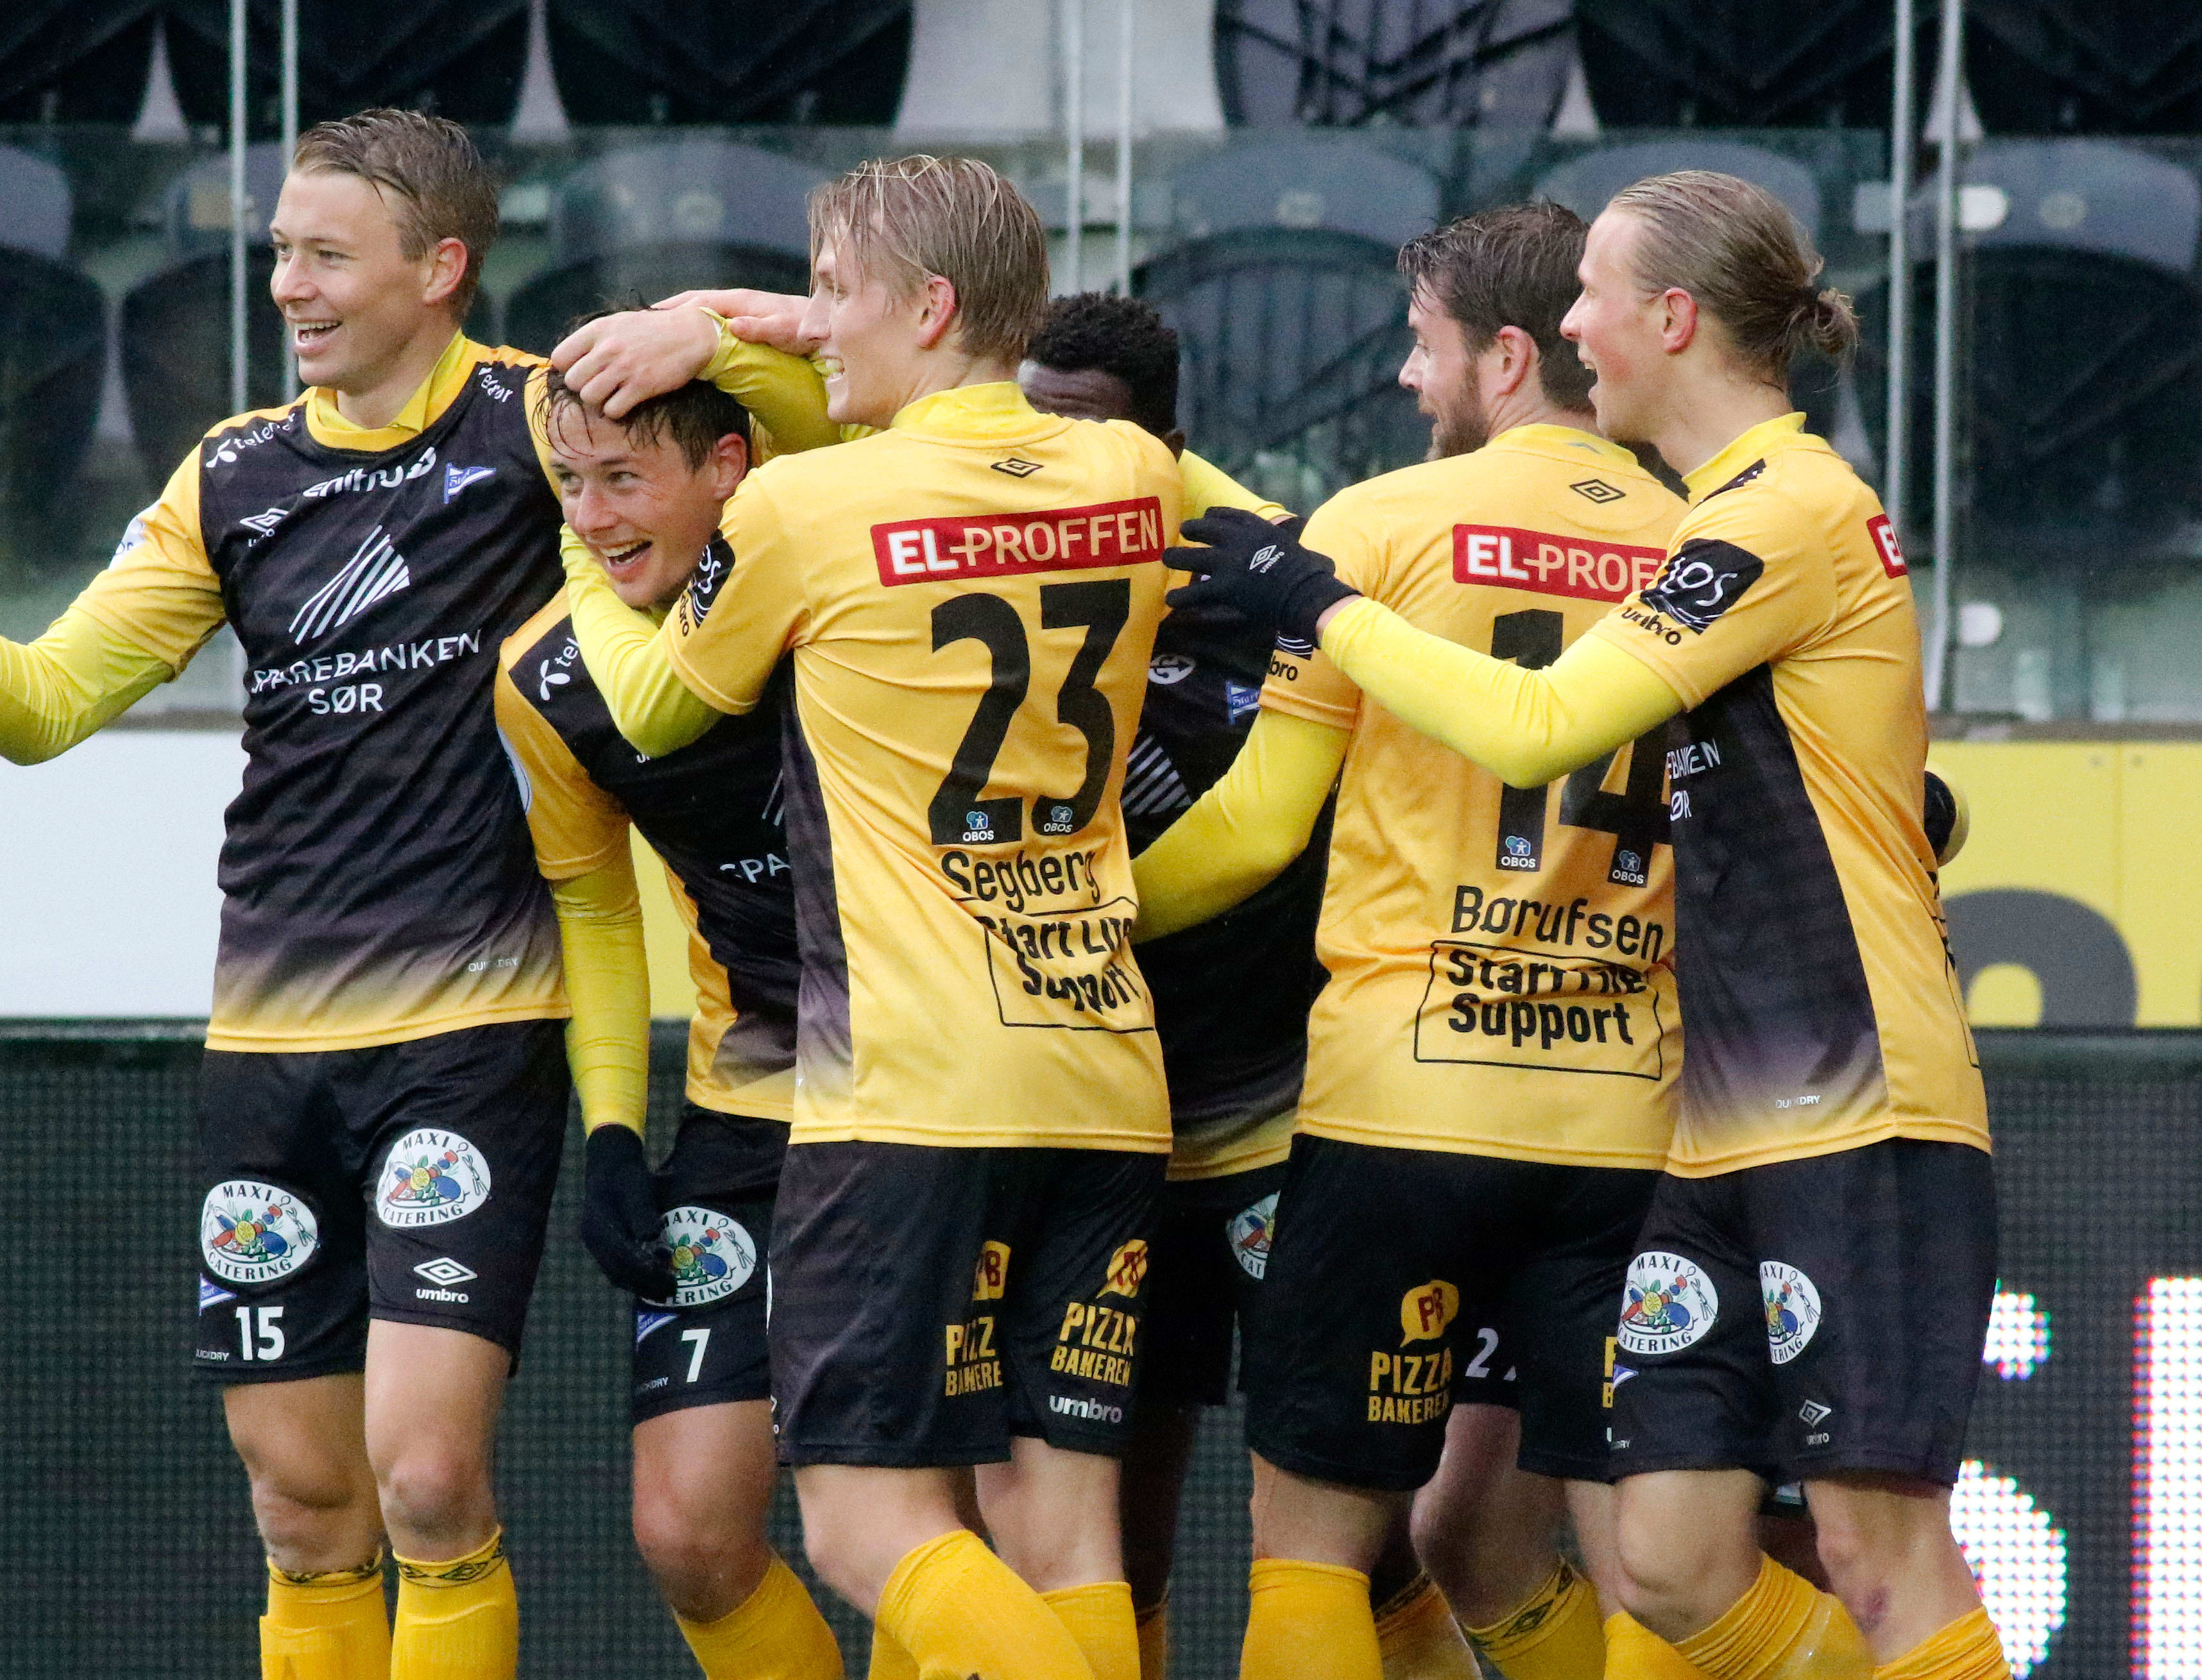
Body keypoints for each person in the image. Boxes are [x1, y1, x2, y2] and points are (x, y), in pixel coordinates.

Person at [0, 109, 824, 1680]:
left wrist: (716, 337)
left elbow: (814, 436)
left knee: (427, 1476)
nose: (285, 284)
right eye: (280, 250)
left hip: (470, 1037)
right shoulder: (232, 473)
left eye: (325, 254)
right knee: (299, 1502)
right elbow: (42, 705)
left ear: (440, 266)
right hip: (266, 1050)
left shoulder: (544, 424)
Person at [1168, 171, 2001, 1680]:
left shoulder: (1782, 511)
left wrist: (1311, 594)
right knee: (1667, 1563)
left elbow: (1539, 722)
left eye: (1591, 298)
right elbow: (1875, 785)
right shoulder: (1705, 521)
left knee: (1872, 1554)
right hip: (1680, 1123)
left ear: (1670, 318)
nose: (1567, 328)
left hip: (1837, 1093)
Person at [551, 154, 1187, 1680]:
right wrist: (762, 325)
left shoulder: (805, 502)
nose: (816, 320)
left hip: (907, 1086)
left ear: (931, 303)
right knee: (1064, 1531)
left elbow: (652, 705)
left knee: (859, 1524)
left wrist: (579, 549)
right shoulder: (1132, 474)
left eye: (835, 290)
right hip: (1102, 1064)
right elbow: (948, 384)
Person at [1129, 199, 1689, 1680]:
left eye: (1420, 344)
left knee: (1313, 1544)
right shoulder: (1705, 546)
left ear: (1504, 358)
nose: (1401, 374)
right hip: (1622, 1120)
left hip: (1401, 1107)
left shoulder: (1374, 526)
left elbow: (1252, 829)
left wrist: (1075, 919)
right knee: (1650, 1563)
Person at [1018, 291, 1481, 1680]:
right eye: (1031, 424)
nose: (1054, 460)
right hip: (1106, 1133)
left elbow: (1275, 829)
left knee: (1358, 1540)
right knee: (1105, 1530)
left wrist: (1069, 923)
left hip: (1291, 1125)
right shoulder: (990, 584)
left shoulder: (1268, 581)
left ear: (1166, 450)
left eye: (1087, 430)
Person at [494, 369, 842, 1680]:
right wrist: (613, 1136)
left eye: (625, 479)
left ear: (729, 470)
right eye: (571, 483)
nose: (592, 516)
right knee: (687, 1531)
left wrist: (707, 332)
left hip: (929, 1100)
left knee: (924, 1509)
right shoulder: (543, 676)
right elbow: (593, 907)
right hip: (746, 1109)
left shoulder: (838, 589)